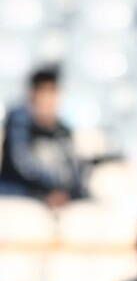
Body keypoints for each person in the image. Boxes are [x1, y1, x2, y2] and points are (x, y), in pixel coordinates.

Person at [0, 69, 84, 207]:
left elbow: (73, 169)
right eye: (43, 92)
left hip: (57, 197)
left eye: (53, 92)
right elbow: (22, 164)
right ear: (32, 94)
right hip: (20, 193)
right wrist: (50, 190)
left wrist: (65, 191)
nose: (48, 99)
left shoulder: (63, 130)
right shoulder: (19, 121)